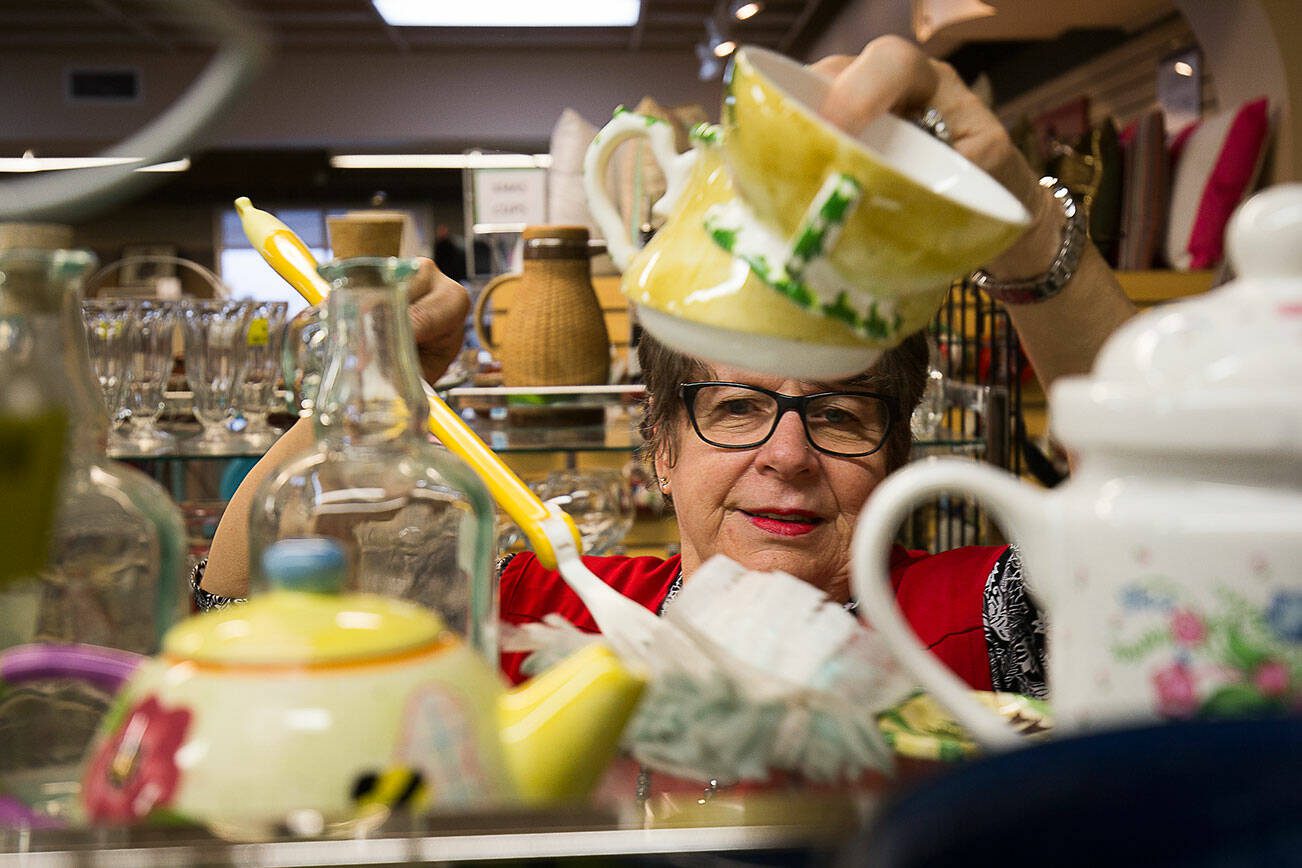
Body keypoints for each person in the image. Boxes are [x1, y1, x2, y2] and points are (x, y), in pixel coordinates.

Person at [198, 36, 1136, 697]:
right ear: (659, 448)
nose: (789, 455)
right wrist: (376, 380)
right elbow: (241, 600)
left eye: (843, 414)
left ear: (896, 450)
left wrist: (1023, 222)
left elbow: (1183, 564)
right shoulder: (553, 615)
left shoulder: (974, 622)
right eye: (733, 407)